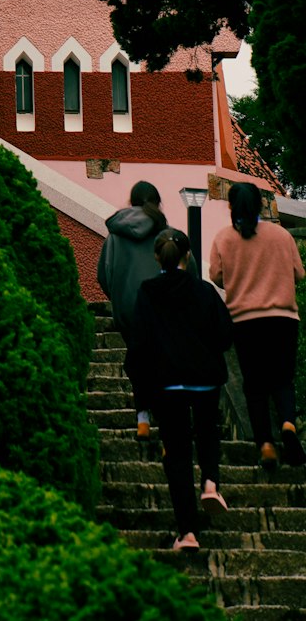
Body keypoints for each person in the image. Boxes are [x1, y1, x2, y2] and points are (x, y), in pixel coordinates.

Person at [126, 227, 234, 552]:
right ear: (188, 256)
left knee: (177, 455)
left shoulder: (147, 293)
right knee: (207, 432)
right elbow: (226, 335)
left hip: (166, 383)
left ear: (157, 257)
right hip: (204, 377)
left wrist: (141, 404)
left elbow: (139, 345)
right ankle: (211, 483)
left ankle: (187, 532)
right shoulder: (204, 291)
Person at [209, 181, 306, 469]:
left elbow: (216, 277)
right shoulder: (281, 236)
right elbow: (299, 274)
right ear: (261, 204)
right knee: (282, 380)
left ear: (231, 206)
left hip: (245, 321)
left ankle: (265, 444)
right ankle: (288, 423)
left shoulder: (224, 238)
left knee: (255, 387)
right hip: (283, 319)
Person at [97, 180, 170, 441]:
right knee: (162, 365)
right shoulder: (166, 232)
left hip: (130, 310)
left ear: (132, 201)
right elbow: (187, 267)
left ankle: (142, 419)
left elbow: (103, 275)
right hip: (163, 310)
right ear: (156, 201)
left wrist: (118, 298)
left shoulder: (116, 235)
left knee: (138, 363)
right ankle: (166, 427)